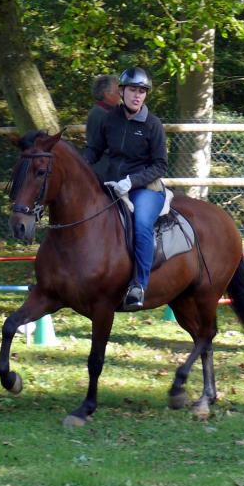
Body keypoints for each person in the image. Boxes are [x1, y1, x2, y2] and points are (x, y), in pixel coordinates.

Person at [82, 66, 167, 310]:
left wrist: (132, 181)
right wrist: (80, 165)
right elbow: (95, 149)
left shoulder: (153, 125)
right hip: (112, 184)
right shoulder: (110, 119)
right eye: (132, 90)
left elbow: (160, 165)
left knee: (141, 224)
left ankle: (139, 285)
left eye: (142, 91)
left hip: (145, 188)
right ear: (122, 92)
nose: (137, 95)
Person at [85, 74, 121, 181]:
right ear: (107, 94)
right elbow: (97, 146)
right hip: (106, 170)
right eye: (117, 91)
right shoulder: (99, 114)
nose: (121, 94)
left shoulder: (114, 112)